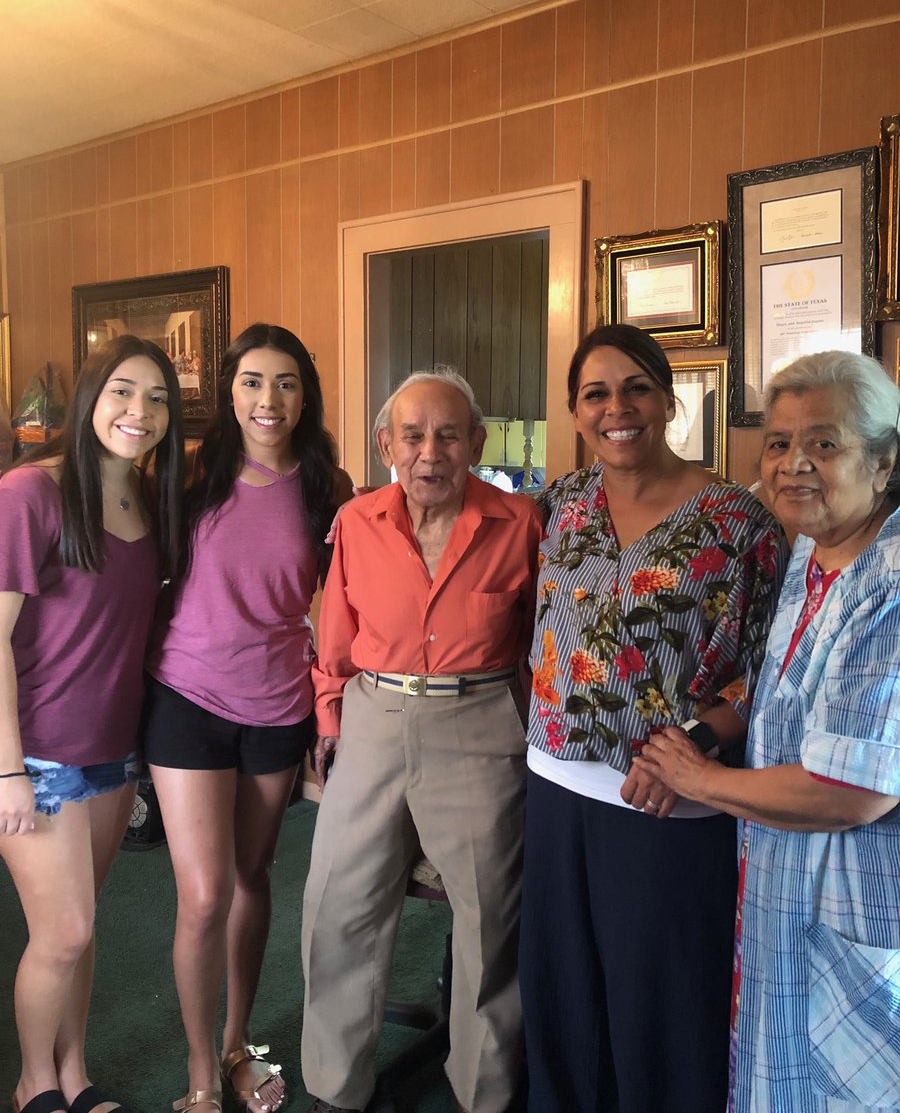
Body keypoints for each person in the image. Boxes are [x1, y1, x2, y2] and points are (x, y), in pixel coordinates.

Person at [519, 324, 788, 1113]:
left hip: (667, 802)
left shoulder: (737, 520)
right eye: (596, 394)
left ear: (669, 400)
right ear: (574, 412)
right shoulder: (562, 505)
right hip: (553, 787)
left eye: (636, 387)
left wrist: (697, 746)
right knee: (562, 999)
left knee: (659, 1011)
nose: (617, 408)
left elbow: (772, 672)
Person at [634, 350, 900, 1112]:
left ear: (883, 462)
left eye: (825, 443)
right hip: (785, 894)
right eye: (780, 444)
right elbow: (775, 686)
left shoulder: (889, 583)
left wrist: (695, 777)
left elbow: (850, 791)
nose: (795, 465)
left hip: (856, 910)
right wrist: (702, 737)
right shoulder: (813, 557)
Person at [301, 368, 542, 1113]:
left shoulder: (521, 522)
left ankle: (484, 1092)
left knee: (489, 918)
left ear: (475, 441)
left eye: (448, 434)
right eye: (413, 435)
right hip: (375, 715)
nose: (430, 451)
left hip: (479, 721)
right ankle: (335, 1087)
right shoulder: (357, 522)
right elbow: (334, 637)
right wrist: (333, 719)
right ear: (386, 445)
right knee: (338, 904)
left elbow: (541, 639)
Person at [143, 324, 352, 1113]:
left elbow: (345, 607)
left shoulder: (328, 488)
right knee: (201, 896)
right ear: (229, 392)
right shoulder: (188, 472)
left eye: (287, 383)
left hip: (276, 706)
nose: (271, 399)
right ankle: (201, 1076)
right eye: (254, 382)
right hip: (186, 699)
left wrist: (333, 705)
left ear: (307, 394)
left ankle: (236, 1046)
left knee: (250, 877)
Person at [0, 337, 183, 1113]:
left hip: (115, 749)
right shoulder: (29, 493)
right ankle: (32, 1085)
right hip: (37, 752)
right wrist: (5, 768)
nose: (138, 412)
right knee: (64, 932)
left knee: (82, 924)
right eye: (121, 392)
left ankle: (74, 1078)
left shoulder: (150, 499)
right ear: (90, 397)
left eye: (156, 398)